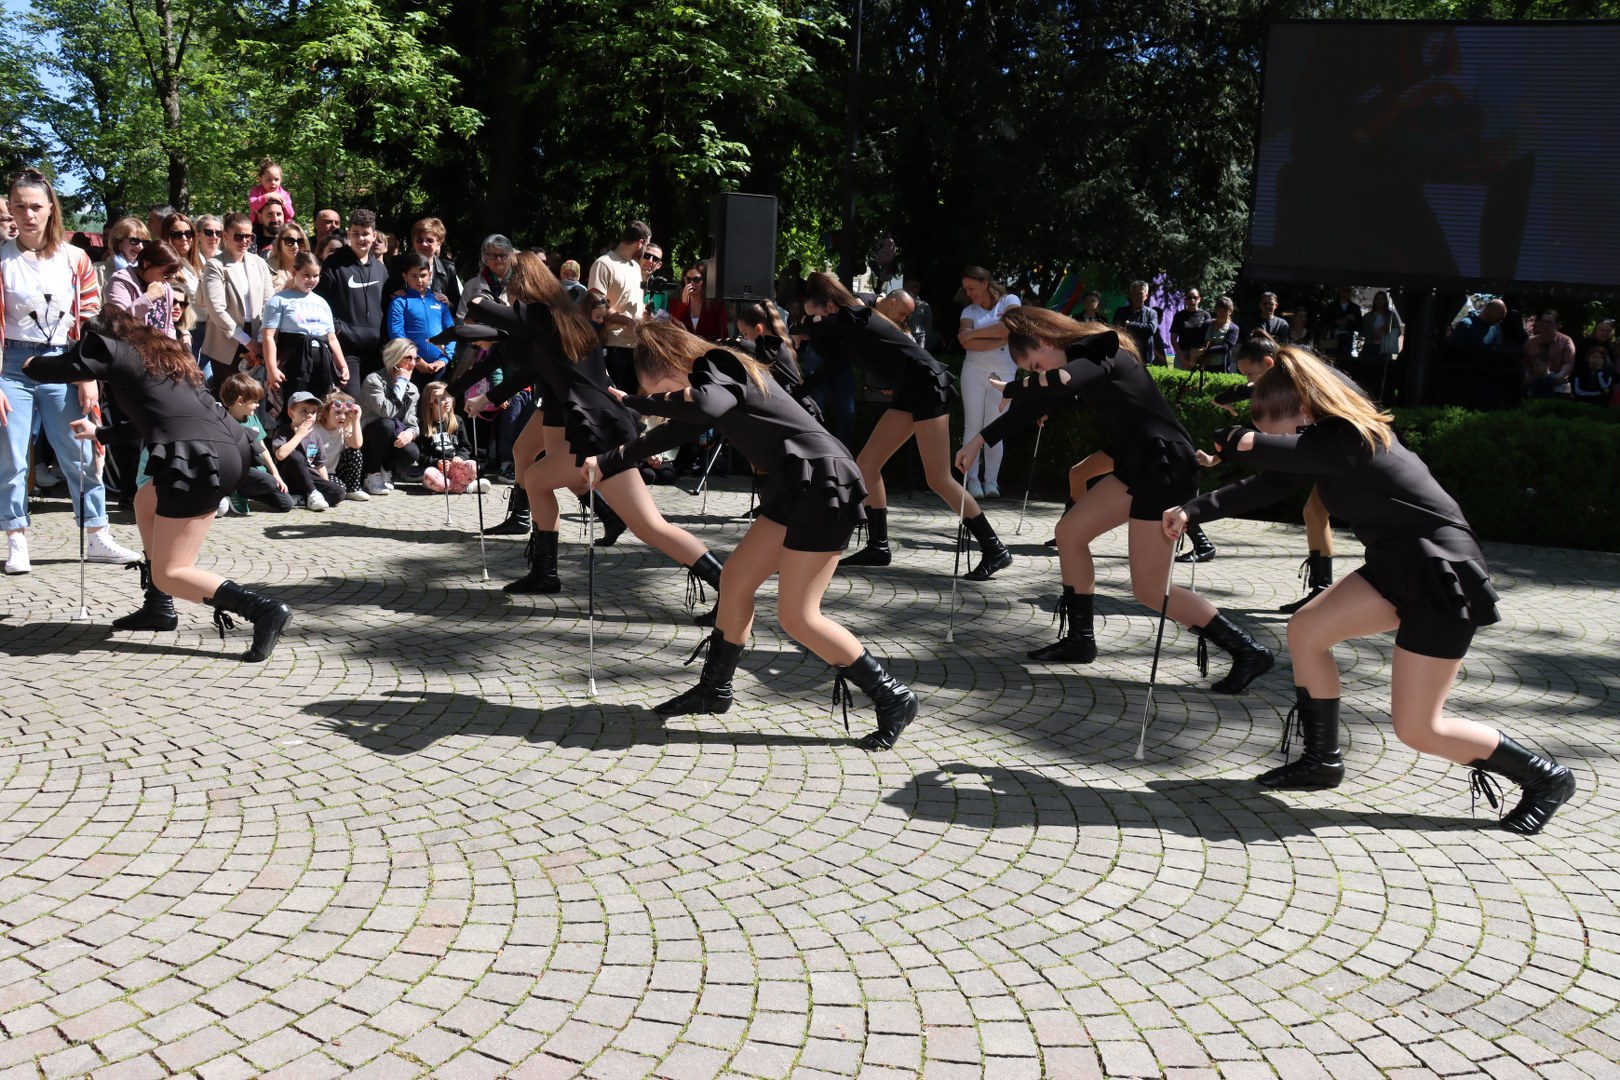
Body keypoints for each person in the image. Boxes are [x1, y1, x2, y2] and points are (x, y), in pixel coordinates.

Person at [1163, 347, 1575, 835]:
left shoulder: (1352, 437)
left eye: (1279, 429)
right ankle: (1322, 761)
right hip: (1394, 566)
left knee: (1419, 728)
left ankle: (1547, 778)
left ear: (1305, 410)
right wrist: (1192, 510)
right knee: (1307, 629)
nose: (1279, 440)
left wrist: (1237, 439)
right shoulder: (1321, 442)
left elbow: (1269, 450)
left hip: (1441, 577)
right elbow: (1268, 483)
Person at [595, 322, 919, 751]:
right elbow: (680, 427)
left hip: (823, 483)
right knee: (736, 581)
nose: (663, 398)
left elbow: (704, 404)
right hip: (796, 484)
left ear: (672, 364)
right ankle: (715, 690)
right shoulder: (717, 377)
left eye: (661, 388)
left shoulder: (719, 364)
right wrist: (610, 460)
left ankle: (893, 696)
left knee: (798, 616)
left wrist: (638, 401)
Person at [956, 307, 1273, 692]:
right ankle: (1080, 640)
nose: (1039, 374)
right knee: (1070, 532)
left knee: (1150, 590)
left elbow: (1062, 380)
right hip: (1136, 465)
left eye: (1036, 365)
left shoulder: (1099, 351)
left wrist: (1011, 388)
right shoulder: (1080, 363)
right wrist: (977, 441)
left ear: (1044, 340)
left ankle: (1247, 650)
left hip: (1165, 467)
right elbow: (1041, 401)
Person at [28, 307, 292, 660]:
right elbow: (152, 416)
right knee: (146, 499)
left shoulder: (109, 347)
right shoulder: (166, 355)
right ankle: (159, 607)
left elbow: (52, 368)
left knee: (172, 572)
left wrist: (22, 359)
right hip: (225, 447)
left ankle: (263, 610)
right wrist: (100, 433)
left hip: (201, 458)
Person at [463, 252, 721, 606]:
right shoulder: (569, 321)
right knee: (538, 479)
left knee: (650, 526)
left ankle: (728, 586)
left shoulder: (542, 317)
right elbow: (523, 356)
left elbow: (485, 311)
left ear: (521, 286)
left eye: (513, 287)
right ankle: (544, 573)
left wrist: (477, 295)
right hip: (600, 428)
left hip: (600, 433)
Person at [798, 272, 1012, 580]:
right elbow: (829, 366)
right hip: (911, 392)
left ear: (830, 306)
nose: (815, 321)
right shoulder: (847, 327)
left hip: (929, 388)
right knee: (867, 464)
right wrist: (795, 394)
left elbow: (815, 327)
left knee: (938, 478)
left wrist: (804, 324)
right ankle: (878, 546)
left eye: (816, 314)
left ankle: (994, 548)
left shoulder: (855, 314)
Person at [0, 169, 142, 572]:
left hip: (65, 359)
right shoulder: (2, 257)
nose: (28, 214)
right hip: (11, 363)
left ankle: (97, 533)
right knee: (12, 456)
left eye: (35, 206)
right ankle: (16, 538)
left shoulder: (75, 258)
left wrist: (87, 374)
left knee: (80, 449)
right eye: (19, 206)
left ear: (51, 209)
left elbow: (91, 320)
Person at [956, 266, 1021, 500]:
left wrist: (975, 334)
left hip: (1004, 372)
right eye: (966, 289)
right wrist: (1000, 338)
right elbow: (966, 343)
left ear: (984, 283)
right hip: (973, 371)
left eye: (971, 288)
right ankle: (972, 479)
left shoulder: (1010, 300)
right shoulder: (968, 311)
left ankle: (991, 481)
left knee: (995, 428)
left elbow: (1009, 328)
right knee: (972, 426)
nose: (968, 293)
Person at [261, 252, 349, 406]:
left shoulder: (322, 302)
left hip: (321, 362)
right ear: (294, 272)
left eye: (316, 276)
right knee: (296, 405)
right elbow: (269, 336)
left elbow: (331, 337)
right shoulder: (278, 300)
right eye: (306, 275)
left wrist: (342, 364)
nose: (311, 280)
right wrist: (272, 368)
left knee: (321, 407)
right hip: (294, 362)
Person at [316, 209, 386, 398]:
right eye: (355, 233)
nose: (360, 238)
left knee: (374, 403)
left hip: (375, 349)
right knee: (351, 400)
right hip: (346, 348)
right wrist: (338, 328)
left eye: (365, 234)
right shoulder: (334, 263)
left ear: (374, 235)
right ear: (348, 234)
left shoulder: (380, 268)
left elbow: (387, 303)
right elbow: (319, 302)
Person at [200, 212, 273, 391]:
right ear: (225, 236)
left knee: (254, 393)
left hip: (257, 336)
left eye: (249, 236)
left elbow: (268, 302)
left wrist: (260, 337)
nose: (245, 241)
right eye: (239, 236)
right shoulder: (215, 265)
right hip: (227, 339)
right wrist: (245, 340)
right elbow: (216, 308)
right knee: (229, 393)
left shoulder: (259, 263)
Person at [587, 220, 650, 393]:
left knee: (631, 402)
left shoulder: (635, 267)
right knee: (613, 401)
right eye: (647, 245)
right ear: (640, 243)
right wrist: (629, 322)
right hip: (613, 347)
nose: (646, 251)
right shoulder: (604, 263)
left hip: (636, 347)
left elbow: (634, 303)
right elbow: (597, 305)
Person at [218, 373, 295, 513]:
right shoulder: (223, 421)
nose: (258, 405)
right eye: (254, 401)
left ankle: (248, 492)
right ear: (240, 401)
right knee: (268, 482)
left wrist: (275, 474)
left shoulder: (252, 418)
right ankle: (235, 492)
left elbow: (263, 448)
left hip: (257, 474)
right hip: (239, 471)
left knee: (285, 504)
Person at [359, 339, 421, 494]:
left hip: (392, 439)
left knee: (412, 452)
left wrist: (410, 433)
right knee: (387, 424)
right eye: (408, 358)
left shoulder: (413, 389)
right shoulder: (373, 380)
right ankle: (371, 474)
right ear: (394, 357)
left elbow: (412, 421)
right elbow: (386, 412)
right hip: (368, 438)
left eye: (416, 358)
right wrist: (401, 383)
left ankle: (386, 468)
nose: (413, 364)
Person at [271, 390, 346, 510]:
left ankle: (301, 499)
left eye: (313, 412)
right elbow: (280, 455)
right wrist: (299, 435)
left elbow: (320, 465)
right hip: (290, 476)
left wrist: (326, 484)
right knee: (295, 456)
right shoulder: (283, 431)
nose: (310, 415)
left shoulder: (315, 436)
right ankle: (311, 493)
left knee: (339, 492)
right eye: (304, 411)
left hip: (310, 478)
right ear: (291, 413)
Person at [386, 252, 455, 381]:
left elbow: (451, 331)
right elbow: (397, 333)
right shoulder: (400, 301)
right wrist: (415, 359)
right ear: (405, 276)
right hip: (410, 366)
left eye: (423, 275)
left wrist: (444, 359)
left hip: (439, 366)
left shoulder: (439, 301)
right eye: (414, 276)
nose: (419, 280)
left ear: (430, 275)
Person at [419, 381, 488, 494]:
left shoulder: (457, 421)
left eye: (449, 397)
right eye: (441, 398)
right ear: (430, 403)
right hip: (437, 470)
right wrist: (436, 462)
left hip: (456, 468)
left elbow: (465, 447)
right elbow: (422, 455)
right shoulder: (424, 425)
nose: (447, 401)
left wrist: (460, 457)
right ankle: (466, 487)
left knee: (473, 465)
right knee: (430, 476)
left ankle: (447, 486)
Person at [105, 240, 182, 339]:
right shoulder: (120, 282)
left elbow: (168, 325)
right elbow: (119, 322)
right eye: (166, 275)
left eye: (173, 275)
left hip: (160, 346)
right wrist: (148, 298)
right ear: (146, 264)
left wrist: (173, 345)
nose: (169, 280)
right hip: (131, 345)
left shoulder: (165, 287)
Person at [384, 217, 461, 313]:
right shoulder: (397, 264)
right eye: (419, 240)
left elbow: (458, 307)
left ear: (439, 242)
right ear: (413, 241)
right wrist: (395, 297)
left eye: (430, 240)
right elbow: (383, 299)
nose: (424, 244)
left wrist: (447, 304)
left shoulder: (448, 269)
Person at [310, 390, 367, 500]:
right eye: (337, 413)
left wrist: (356, 420)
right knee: (339, 489)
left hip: (335, 472)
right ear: (325, 412)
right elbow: (310, 459)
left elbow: (357, 445)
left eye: (347, 413)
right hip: (317, 473)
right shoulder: (315, 429)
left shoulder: (345, 427)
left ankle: (353, 489)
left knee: (355, 453)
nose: (343, 417)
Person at [457, 234, 515, 319]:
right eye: (493, 256)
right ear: (485, 257)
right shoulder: (471, 285)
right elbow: (461, 318)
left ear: (510, 256)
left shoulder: (520, 283)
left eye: (503, 255)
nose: (498, 260)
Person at [95, 217, 150, 300]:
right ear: (118, 242)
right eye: (134, 240)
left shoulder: (148, 272)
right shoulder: (99, 270)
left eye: (145, 243)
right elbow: (92, 305)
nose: (140, 246)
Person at [670, 263, 728, 340]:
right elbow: (673, 329)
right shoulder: (675, 303)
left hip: (708, 346)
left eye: (696, 279)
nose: (691, 283)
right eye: (688, 279)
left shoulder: (715, 305)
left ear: (705, 281)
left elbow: (723, 334)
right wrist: (683, 305)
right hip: (684, 346)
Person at [1112, 280, 1164, 365]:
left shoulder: (1152, 313)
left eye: (1140, 293)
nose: (1137, 296)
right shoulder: (1121, 311)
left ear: (1146, 296)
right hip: (1125, 357)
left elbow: (1151, 329)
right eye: (1135, 293)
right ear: (1130, 294)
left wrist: (1129, 324)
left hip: (1145, 359)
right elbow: (1118, 330)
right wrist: (1141, 329)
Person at [1523, 310, 1575, 385]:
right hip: (1535, 381)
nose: (1545, 325)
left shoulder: (1566, 341)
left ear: (1557, 325)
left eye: (1549, 322)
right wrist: (1526, 373)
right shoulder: (1531, 342)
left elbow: (1569, 363)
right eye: (1543, 322)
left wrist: (1562, 373)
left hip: (1558, 381)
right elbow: (1525, 363)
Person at [1315, 286, 1362, 362]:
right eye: (1344, 290)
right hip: (1332, 338)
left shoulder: (1355, 308)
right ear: (1340, 291)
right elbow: (1323, 322)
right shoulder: (1331, 307)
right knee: (1331, 360)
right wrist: (1336, 322)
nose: (1346, 292)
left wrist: (1353, 320)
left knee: (1345, 362)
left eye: (1348, 290)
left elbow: (1360, 326)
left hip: (1347, 341)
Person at [1168, 289, 1209, 370]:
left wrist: (1202, 351)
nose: (1192, 300)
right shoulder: (1179, 316)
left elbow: (1209, 338)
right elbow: (1173, 339)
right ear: (1185, 299)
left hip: (1199, 355)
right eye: (1189, 298)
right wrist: (1182, 358)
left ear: (1199, 299)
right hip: (1182, 354)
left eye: (1195, 297)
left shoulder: (1205, 315)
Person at [248, 157, 295, 223]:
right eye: (269, 180)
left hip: (279, 225)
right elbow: (253, 206)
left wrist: (284, 205)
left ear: (281, 180)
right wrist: (267, 197)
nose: (273, 183)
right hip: (258, 225)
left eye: (276, 179)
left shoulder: (284, 194)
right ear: (260, 180)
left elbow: (290, 215)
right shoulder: (256, 191)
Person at [266, 221, 310, 290]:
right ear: (280, 243)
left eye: (300, 242)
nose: (296, 246)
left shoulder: (310, 268)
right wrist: (285, 286)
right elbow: (263, 295)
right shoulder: (266, 267)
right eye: (289, 241)